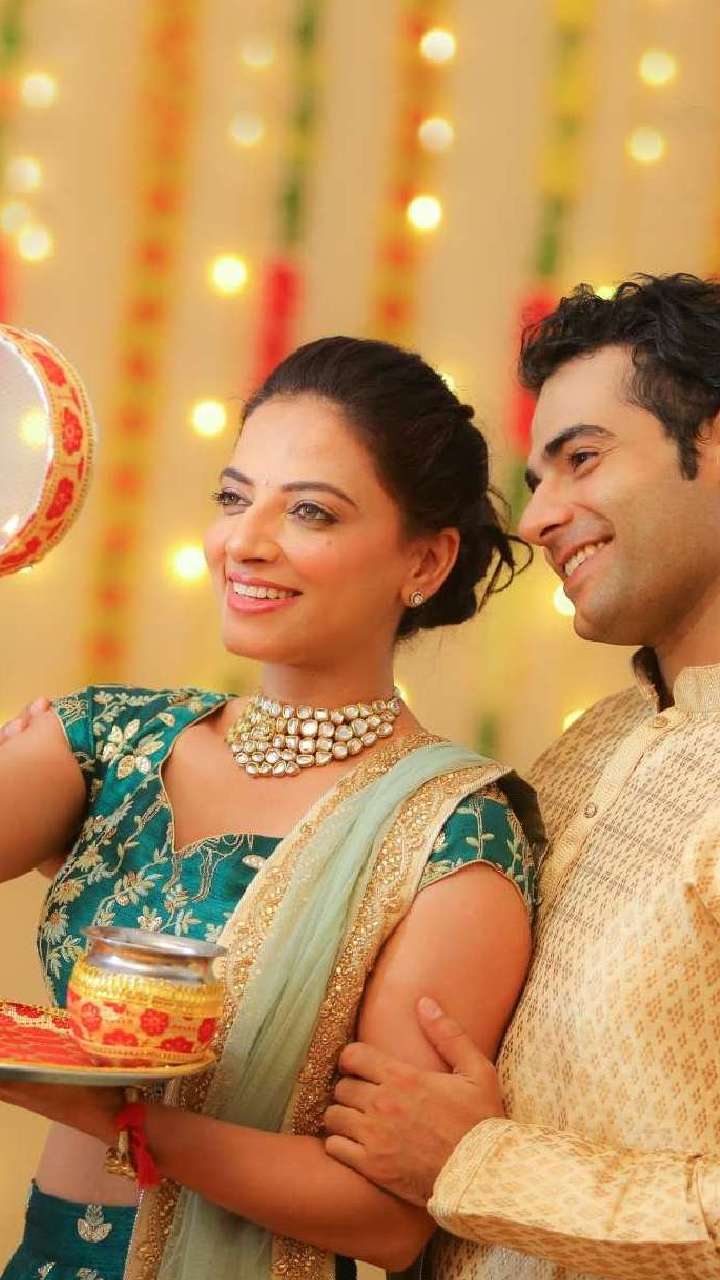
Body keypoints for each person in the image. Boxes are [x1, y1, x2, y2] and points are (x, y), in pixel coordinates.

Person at [0, 336, 540, 1280]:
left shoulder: (448, 833)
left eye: (310, 511)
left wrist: (109, 1114)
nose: (244, 542)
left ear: (425, 561)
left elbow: (385, 1219)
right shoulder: (111, 742)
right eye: (233, 497)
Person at [324, 273, 720, 1279]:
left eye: (583, 459)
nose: (539, 518)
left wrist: (477, 1163)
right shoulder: (586, 749)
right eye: (538, 478)